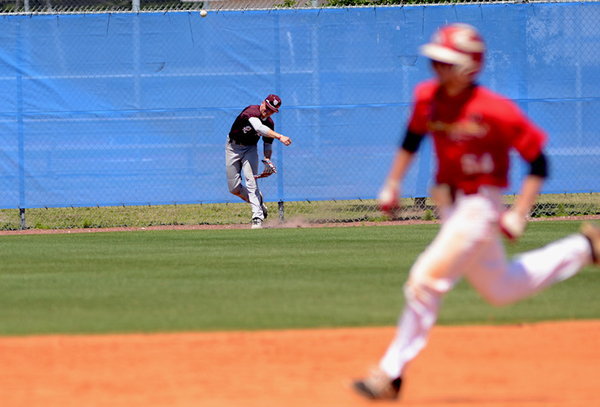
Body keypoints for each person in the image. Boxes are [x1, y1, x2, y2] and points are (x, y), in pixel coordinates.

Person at [352, 23, 600, 400]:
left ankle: (390, 374)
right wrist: (393, 183)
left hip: (480, 206)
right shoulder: (427, 97)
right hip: (450, 207)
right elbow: (412, 138)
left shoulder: (495, 110)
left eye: (446, 61)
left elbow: (538, 161)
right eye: (435, 60)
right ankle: (584, 248)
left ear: (469, 66)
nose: (437, 67)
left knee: (423, 281)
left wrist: (519, 212)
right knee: (500, 288)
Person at [226, 94, 292, 229]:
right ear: (263, 103)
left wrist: (267, 159)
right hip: (232, 147)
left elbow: (267, 144)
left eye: (271, 110)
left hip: (250, 149)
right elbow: (259, 128)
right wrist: (280, 136)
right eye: (267, 107)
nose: (267, 111)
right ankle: (259, 202)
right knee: (234, 188)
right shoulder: (251, 111)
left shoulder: (270, 123)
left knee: (251, 181)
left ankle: (257, 217)